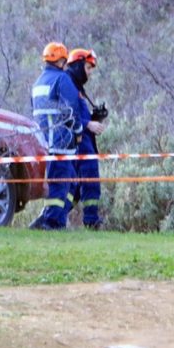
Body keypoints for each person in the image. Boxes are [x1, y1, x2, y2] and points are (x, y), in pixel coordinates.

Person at [29, 42, 89, 230]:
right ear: (62, 61)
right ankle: (53, 223)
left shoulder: (38, 82)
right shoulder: (62, 80)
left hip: (43, 142)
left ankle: (52, 217)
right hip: (61, 142)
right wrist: (79, 132)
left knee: (70, 183)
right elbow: (71, 110)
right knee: (60, 184)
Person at [65, 49, 107, 229]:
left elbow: (78, 114)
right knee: (88, 184)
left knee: (74, 188)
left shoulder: (77, 87)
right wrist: (88, 124)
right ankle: (91, 220)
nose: (89, 73)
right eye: (88, 68)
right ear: (78, 65)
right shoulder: (67, 85)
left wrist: (94, 117)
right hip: (79, 144)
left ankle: (54, 218)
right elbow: (66, 115)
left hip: (85, 143)